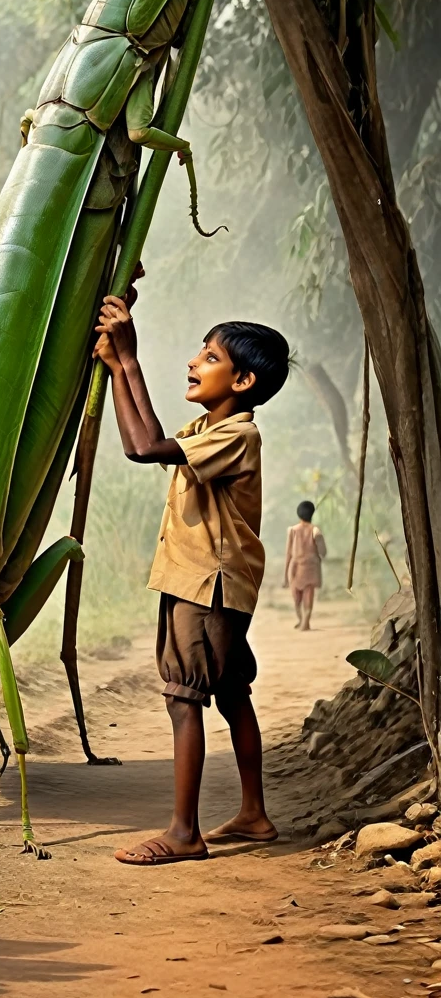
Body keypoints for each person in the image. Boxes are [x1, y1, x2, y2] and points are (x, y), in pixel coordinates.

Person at [94, 302, 290, 866]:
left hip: (205, 587)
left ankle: (184, 832)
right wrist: (118, 369)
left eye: (210, 356)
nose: (193, 363)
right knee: (231, 694)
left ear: (244, 381)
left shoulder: (237, 436)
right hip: (216, 585)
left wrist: (128, 359)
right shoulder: (209, 428)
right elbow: (150, 438)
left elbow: (142, 447)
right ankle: (253, 814)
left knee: (185, 700)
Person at [283, 500, 326, 631]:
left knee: (297, 598)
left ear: (299, 514)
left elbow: (288, 553)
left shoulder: (292, 530)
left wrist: (285, 575)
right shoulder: (315, 530)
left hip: (295, 567)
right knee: (308, 595)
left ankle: (303, 621)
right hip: (310, 567)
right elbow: (323, 551)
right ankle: (304, 621)